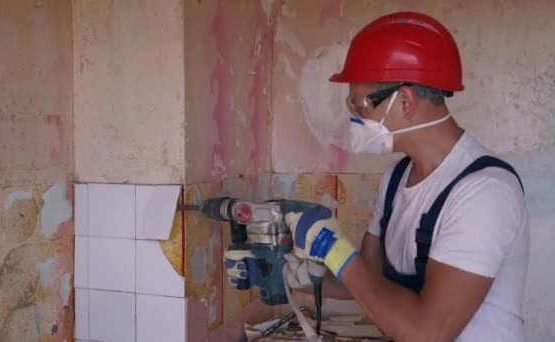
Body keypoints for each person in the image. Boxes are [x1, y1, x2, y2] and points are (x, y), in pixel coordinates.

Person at [225, 11, 529, 341]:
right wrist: (294, 278)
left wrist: (335, 250)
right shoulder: (396, 178)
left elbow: (427, 333)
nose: (355, 119)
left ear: (405, 101)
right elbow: (370, 282)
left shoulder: (485, 193)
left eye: (361, 107)